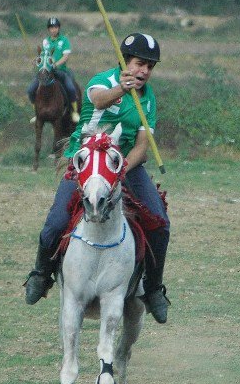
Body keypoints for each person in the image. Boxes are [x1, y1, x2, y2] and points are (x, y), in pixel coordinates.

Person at [23, 33, 171, 324]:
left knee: (160, 221)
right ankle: (41, 273)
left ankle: (153, 288)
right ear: (125, 61)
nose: (144, 71)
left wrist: (118, 172)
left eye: (150, 66)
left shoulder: (148, 98)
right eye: (140, 64)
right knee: (55, 222)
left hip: (125, 166)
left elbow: (142, 146)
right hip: (87, 161)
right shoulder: (102, 82)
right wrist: (121, 89)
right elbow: (98, 99)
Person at [27, 17, 80, 123]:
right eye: (51, 28)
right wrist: (37, 60)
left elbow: (65, 56)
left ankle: (74, 111)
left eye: (55, 27)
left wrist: (56, 64)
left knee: (71, 88)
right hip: (46, 71)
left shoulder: (64, 40)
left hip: (60, 71)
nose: (53, 30)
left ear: (58, 28)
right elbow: (42, 55)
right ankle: (37, 113)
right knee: (31, 89)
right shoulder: (45, 41)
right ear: (48, 29)